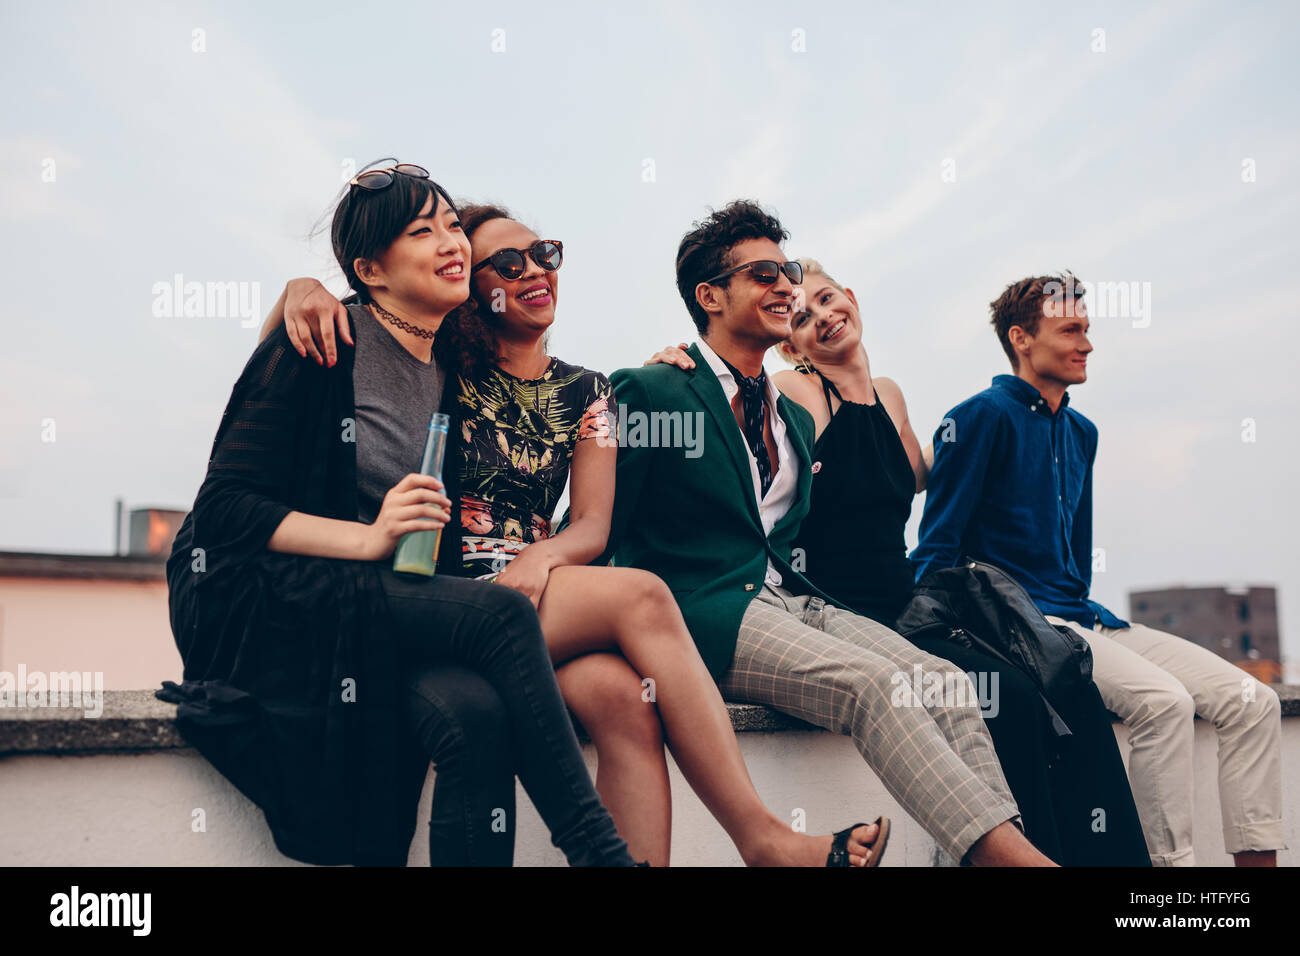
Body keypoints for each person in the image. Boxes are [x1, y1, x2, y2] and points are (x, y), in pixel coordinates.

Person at [266, 202, 888, 867]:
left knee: (624, 699)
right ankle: (762, 838)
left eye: (546, 255)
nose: (535, 271)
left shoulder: (590, 390)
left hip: (540, 587)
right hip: (445, 590)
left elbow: (593, 522)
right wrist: (297, 292)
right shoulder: (445, 366)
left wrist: (544, 557)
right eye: (508, 264)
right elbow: (358, 331)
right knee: (644, 596)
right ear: (471, 287)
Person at [158, 162, 635, 867]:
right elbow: (226, 510)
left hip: (367, 604)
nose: (452, 243)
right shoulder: (323, 341)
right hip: (266, 594)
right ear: (370, 269)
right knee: (502, 616)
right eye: (422, 230)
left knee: (476, 715)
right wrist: (371, 536)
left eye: (452, 225)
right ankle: (601, 855)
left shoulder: (450, 370)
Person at [593, 200, 1056, 866]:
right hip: (705, 612)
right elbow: (601, 523)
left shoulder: (793, 418)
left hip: (797, 601)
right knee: (872, 685)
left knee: (950, 686)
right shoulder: (652, 389)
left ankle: (990, 858)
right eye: (762, 275)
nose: (785, 286)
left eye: (786, 270)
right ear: (709, 296)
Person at [648, 258, 1150, 865]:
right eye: (802, 318)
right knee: (1006, 698)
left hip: (906, 603)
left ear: (852, 296)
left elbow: (932, 481)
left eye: (829, 299)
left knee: (1054, 682)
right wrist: (680, 368)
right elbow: (736, 400)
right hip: (838, 603)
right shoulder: (802, 392)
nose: (823, 318)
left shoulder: (890, 396)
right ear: (791, 345)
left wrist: (1034, 440)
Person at [912, 271, 1285, 867]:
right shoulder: (977, 417)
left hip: (1086, 616)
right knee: (1164, 703)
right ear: (1021, 339)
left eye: (1087, 329)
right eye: (1070, 330)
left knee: (1252, 700)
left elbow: (1077, 560)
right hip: (1022, 622)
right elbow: (937, 547)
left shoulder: (1082, 432)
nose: (1086, 343)